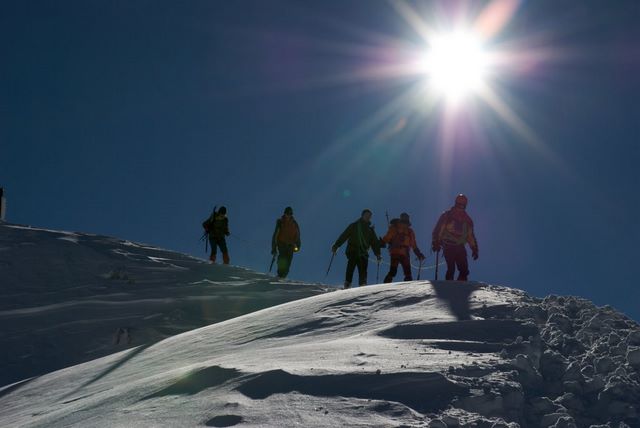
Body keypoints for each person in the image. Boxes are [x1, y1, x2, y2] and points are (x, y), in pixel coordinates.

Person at [431, 194, 479, 281]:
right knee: (451, 268)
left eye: (463, 204)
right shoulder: (448, 215)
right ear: (456, 203)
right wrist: (435, 242)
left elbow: (470, 235)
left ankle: (459, 288)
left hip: (459, 246)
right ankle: (450, 288)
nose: (461, 206)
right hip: (448, 244)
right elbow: (438, 229)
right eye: (459, 204)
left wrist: (474, 249)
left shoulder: (467, 220)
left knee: (464, 270)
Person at [332, 209, 382, 289]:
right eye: (367, 215)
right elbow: (344, 235)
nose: (368, 217)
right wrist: (336, 245)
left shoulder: (370, 231)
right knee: (351, 265)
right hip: (353, 249)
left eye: (370, 216)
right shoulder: (354, 225)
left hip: (363, 252)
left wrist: (378, 254)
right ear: (362, 215)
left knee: (363, 269)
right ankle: (347, 284)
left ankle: (362, 285)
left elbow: (375, 243)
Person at [381, 212, 425, 283]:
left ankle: (385, 285)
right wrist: (418, 253)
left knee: (393, 271)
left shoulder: (395, 227)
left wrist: (383, 242)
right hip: (404, 253)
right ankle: (407, 289)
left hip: (396, 251)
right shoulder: (409, 231)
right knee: (407, 273)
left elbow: (388, 236)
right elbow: (413, 244)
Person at [271, 206, 301, 278]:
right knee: (282, 259)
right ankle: (280, 275)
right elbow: (275, 235)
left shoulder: (295, 224)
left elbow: (297, 236)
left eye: (290, 213)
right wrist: (274, 248)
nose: (288, 215)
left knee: (288, 264)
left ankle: (282, 277)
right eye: (287, 213)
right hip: (282, 244)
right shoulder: (280, 222)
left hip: (291, 246)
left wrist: (298, 246)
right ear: (284, 213)